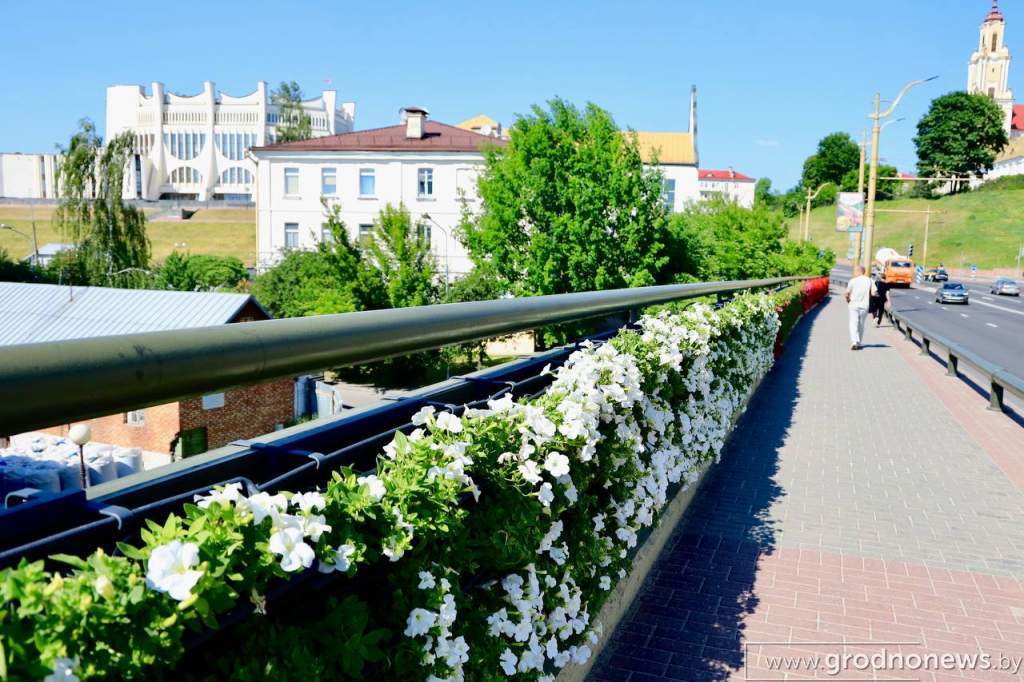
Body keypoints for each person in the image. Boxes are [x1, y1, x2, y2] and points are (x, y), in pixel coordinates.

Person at [845, 265, 876, 350]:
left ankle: (854, 342)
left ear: (859, 271)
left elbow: (847, 293)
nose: (854, 272)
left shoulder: (852, 280)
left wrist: (847, 299)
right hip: (864, 305)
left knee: (853, 323)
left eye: (855, 271)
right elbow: (874, 293)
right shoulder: (870, 280)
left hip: (853, 305)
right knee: (861, 324)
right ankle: (859, 342)